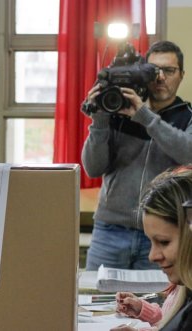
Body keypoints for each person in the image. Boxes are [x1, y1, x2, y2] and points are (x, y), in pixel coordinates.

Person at [81, 40, 192, 270]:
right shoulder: (118, 111)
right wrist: (100, 120)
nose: (160, 78)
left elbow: (188, 153)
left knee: (156, 304)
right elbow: (93, 168)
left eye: (169, 70)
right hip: (110, 230)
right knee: (96, 302)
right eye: (154, 70)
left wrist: (144, 116)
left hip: (163, 233)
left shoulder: (188, 117)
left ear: (181, 74)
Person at [110, 166, 192, 331]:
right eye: (151, 242)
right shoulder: (183, 292)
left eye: (163, 242)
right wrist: (142, 309)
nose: (152, 256)